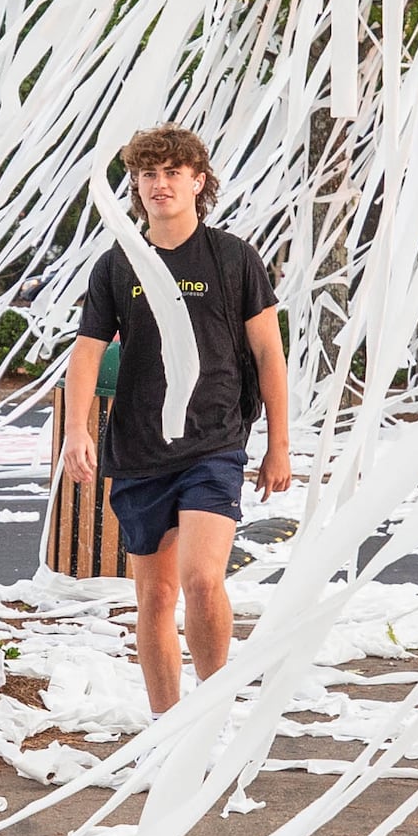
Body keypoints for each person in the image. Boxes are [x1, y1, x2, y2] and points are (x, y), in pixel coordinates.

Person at [63, 123, 290, 719]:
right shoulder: (117, 265)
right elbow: (86, 351)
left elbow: (269, 352)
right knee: (156, 594)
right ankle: (169, 729)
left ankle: (215, 713)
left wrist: (279, 445)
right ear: (136, 187)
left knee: (200, 580)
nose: (160, 184)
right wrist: (77, 431)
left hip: (213, 441)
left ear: (198, 180)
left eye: (172, 173)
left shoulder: (233, 257)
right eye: (148, 174)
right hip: (139, 447)